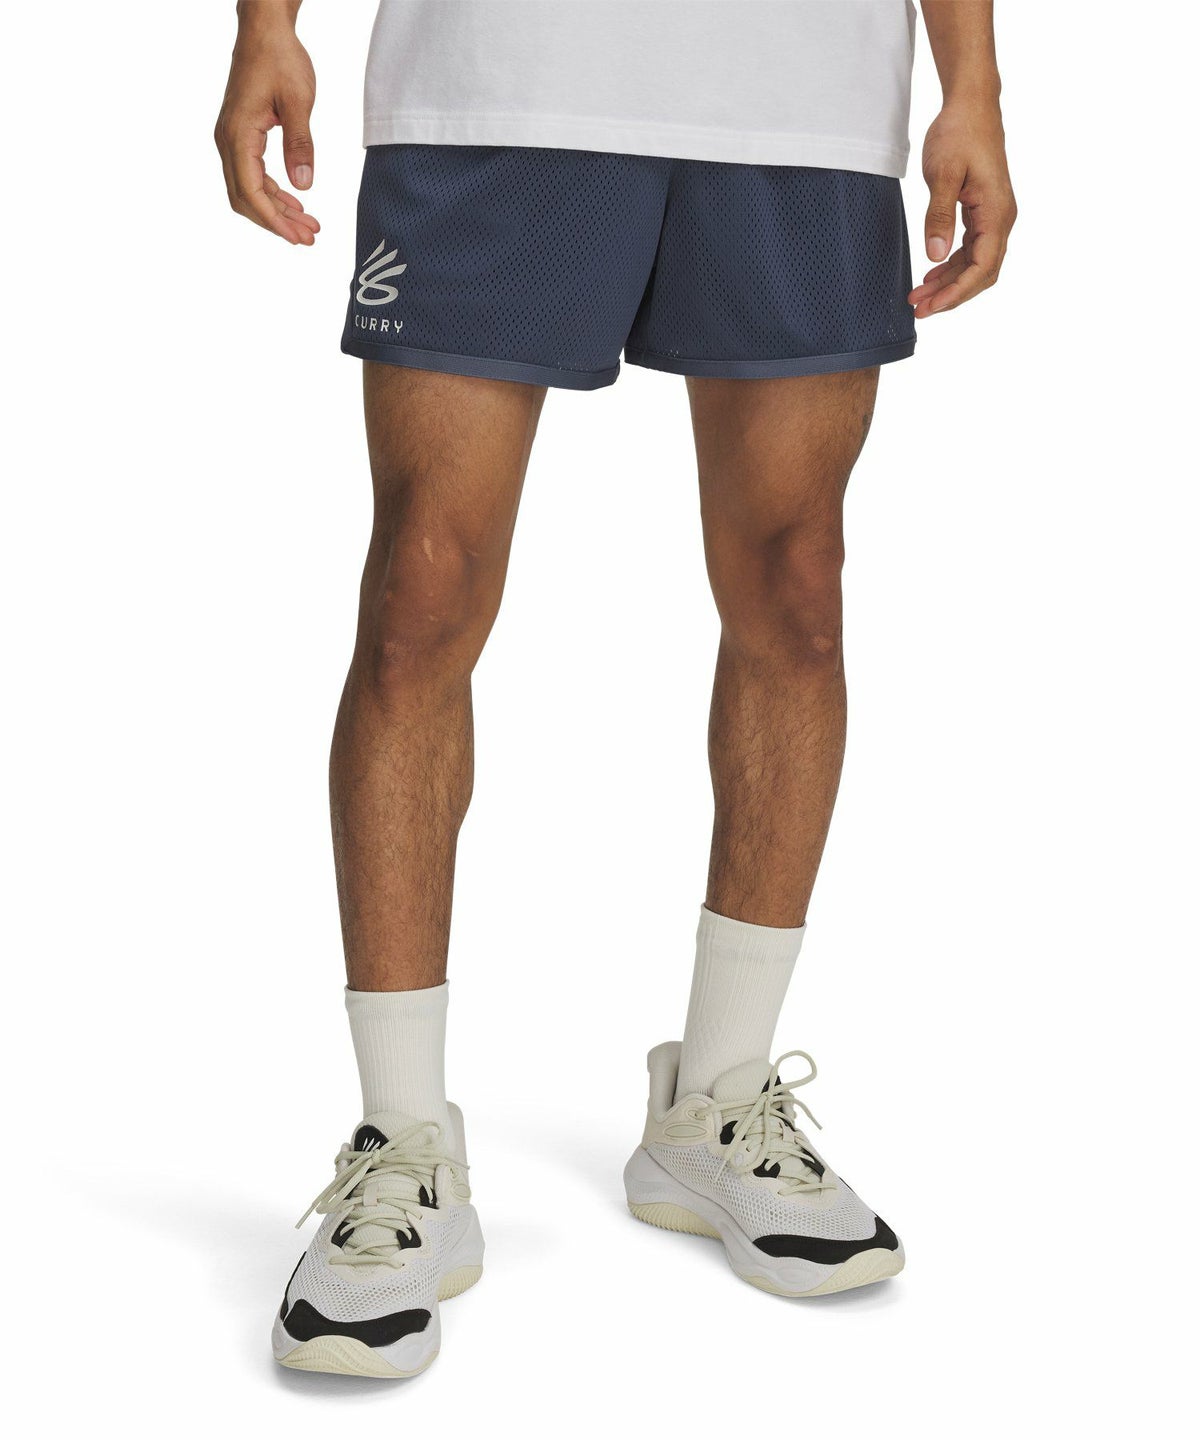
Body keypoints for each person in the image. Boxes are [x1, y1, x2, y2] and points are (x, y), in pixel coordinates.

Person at [217, 0, 1015, 1378]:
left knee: (795, 585)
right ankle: (403, 1143)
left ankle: (717, 1100)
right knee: (420, 595)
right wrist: (264, 27)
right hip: (496, 78)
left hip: (802, 98)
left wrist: (975, 87)